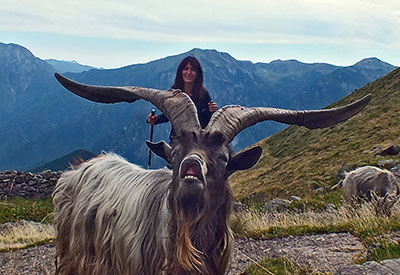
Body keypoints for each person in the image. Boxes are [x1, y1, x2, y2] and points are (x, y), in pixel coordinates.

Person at [147, 56, 218, 140]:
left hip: (198, 141)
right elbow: (170, 113)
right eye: (186, 69)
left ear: (197, 73)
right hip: (179, 140)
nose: (189, 72)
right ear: (180, 72)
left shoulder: (203, 93)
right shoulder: (174, 93)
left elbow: (209, 119)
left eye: (193, 69)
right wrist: (156, 119)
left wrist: (213, 111)